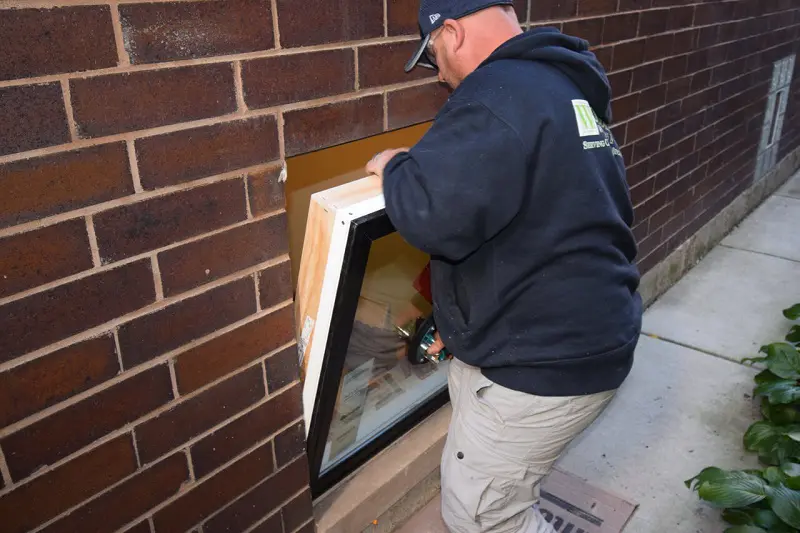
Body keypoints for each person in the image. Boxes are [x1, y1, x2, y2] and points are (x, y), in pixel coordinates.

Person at [365, 1, 642, 532]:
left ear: (451, 32)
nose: (440, 75)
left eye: (432, 58)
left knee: (481, 516)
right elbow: (531, 210)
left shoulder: (495, 94)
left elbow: (433, 217)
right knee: (497, 482)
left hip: (546, 358)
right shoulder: (560, 86)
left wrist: (396, 167)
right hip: (589, 328)